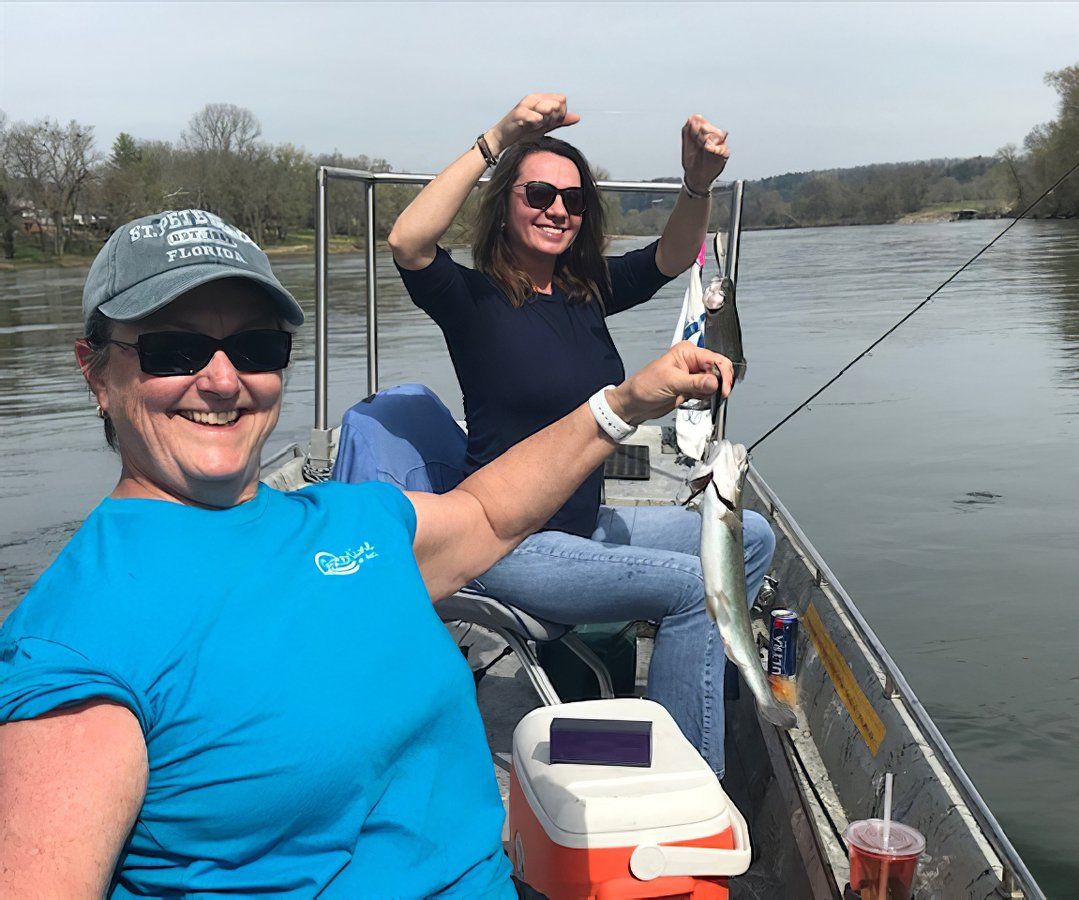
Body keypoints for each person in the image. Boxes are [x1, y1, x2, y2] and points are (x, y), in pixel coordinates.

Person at [0, 210, 732, 898]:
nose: (223, 380)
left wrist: (626, 404)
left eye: (256, 348)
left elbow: (487, 510)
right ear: (96, 372)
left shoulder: (346, 522)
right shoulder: (79, 641)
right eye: (175, 350)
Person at [388, 94, 775, 778]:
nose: (557, 209)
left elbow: (673, 254)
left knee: (756, 541)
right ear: (506, 202)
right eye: (538, 192)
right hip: (511, 542)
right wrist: (499, 137)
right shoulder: (471, 301)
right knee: (692, 587)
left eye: (571, 199)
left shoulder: (585, 290)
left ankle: (693, 702)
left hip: (584, 524)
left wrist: (695, 185)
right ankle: (683, 783)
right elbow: (408, 241)